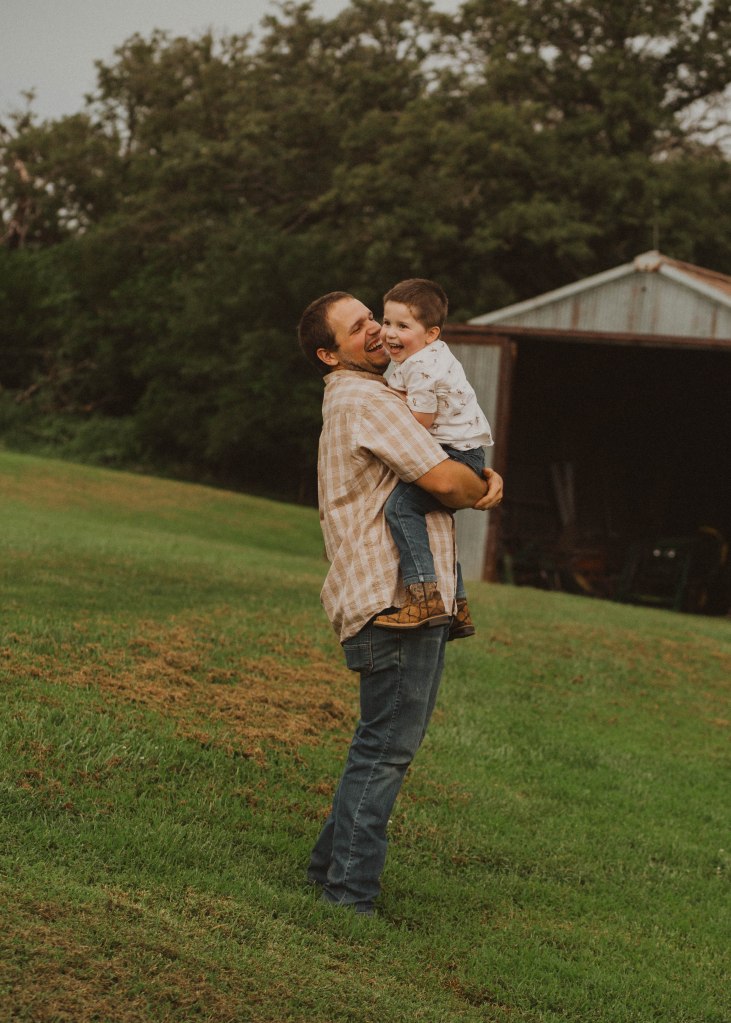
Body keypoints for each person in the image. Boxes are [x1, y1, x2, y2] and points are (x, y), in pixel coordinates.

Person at [297, 291, 503, 915]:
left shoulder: (377, 393)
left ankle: (327, 871)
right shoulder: (367, 400)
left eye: (373, 318)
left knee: (379, 743)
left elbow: (446, 473)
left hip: (404, 598)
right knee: (386, 750)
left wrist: (474, 479)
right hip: (392, 600)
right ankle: (348, 895)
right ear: (329, 354)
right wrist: (482, 481)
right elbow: (445, 481)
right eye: (357, 328)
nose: (375, 331)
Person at [375, 278, 493, 638]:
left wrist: (386, 403)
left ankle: (424, 597)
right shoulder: (428, 354)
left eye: (403, 326)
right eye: (387, 322)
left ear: (431, 334)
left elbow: (420, 421)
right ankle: (457, 605)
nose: (390, 333)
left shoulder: (421, 367)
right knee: (436, 524)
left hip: (454, 453)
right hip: (464, 450)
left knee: (400, 508)